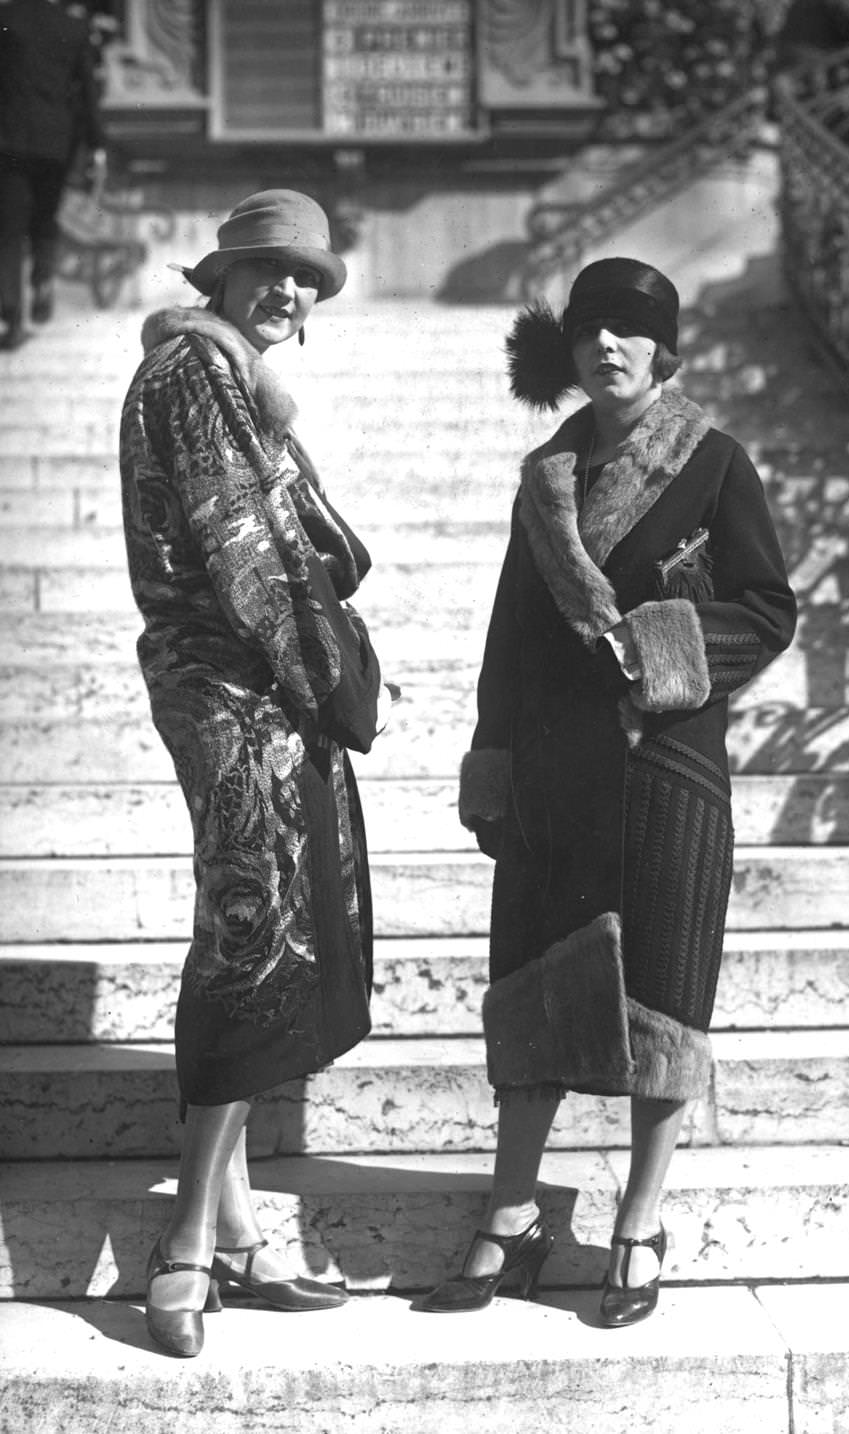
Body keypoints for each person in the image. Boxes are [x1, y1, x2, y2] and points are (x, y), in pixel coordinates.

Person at [419, 258, 796, 1326]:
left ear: (661, 348)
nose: (608, 348)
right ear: (569, 351)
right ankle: (511, 1213)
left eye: (629, 331)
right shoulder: (545, 476)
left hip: (667, 765)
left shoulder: (714, 463)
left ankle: (638, 1220)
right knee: (535, 986)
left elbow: (766, 609)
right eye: (590, 332)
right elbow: (508, 639)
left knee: (663, 999)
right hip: (549, 770)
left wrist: (659, 652)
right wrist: (492, 764)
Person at [119, 189, 390, 1358]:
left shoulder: (221, 374)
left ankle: (229, 1227)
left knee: (263, 923)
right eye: (268, 272)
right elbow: (243, 547)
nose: (287, 292)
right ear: (219, 280)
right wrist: (334, 676)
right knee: (250, 933)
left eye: (306, 279)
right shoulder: (196, 374)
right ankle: (184, 1242)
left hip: (249, 685)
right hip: (237, 683)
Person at [0, 0, 107, 349]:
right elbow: (88, 92)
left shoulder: (5, 19)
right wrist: (96, 143)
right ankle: (43, 277)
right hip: (55, 144)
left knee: (9, 230)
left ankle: (12, 317)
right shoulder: (72, 28)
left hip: (9, 140)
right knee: (45, 218)